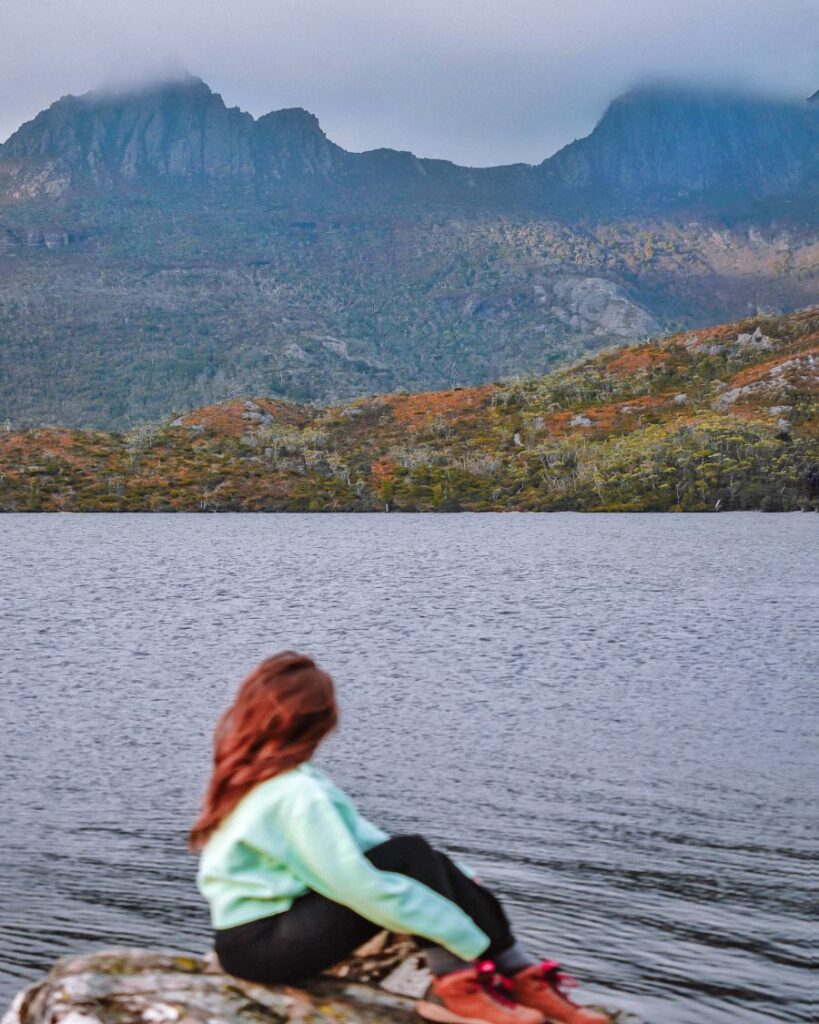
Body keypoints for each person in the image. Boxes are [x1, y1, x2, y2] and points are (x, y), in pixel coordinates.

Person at [191, 652, 608, 1024]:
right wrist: (458, 930)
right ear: (325, 720)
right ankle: (455, 985)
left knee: (412, 853)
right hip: (263, 949)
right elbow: (360, 887)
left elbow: (377, 848)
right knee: (407, 866)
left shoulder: (276, 778)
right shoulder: (297, 793)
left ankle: (518, 974)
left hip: (255, 937)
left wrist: (462, 884)